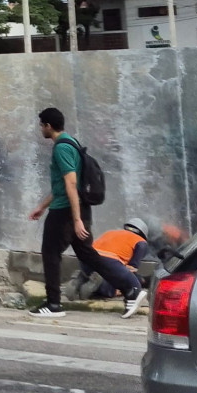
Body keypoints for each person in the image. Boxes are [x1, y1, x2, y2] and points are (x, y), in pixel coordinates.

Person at [26, 108, 145, 320]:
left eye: (41, 125)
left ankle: (53, 304)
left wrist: (76, 219)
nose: (40, 129)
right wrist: (42, 206)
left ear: (48, 126)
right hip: (75, 209)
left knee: (50, 254)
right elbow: (64, 185)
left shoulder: (61, 149)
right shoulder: (72, 143)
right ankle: (131, 289)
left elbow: (71, 183)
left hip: (66, 213)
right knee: (89, 255)